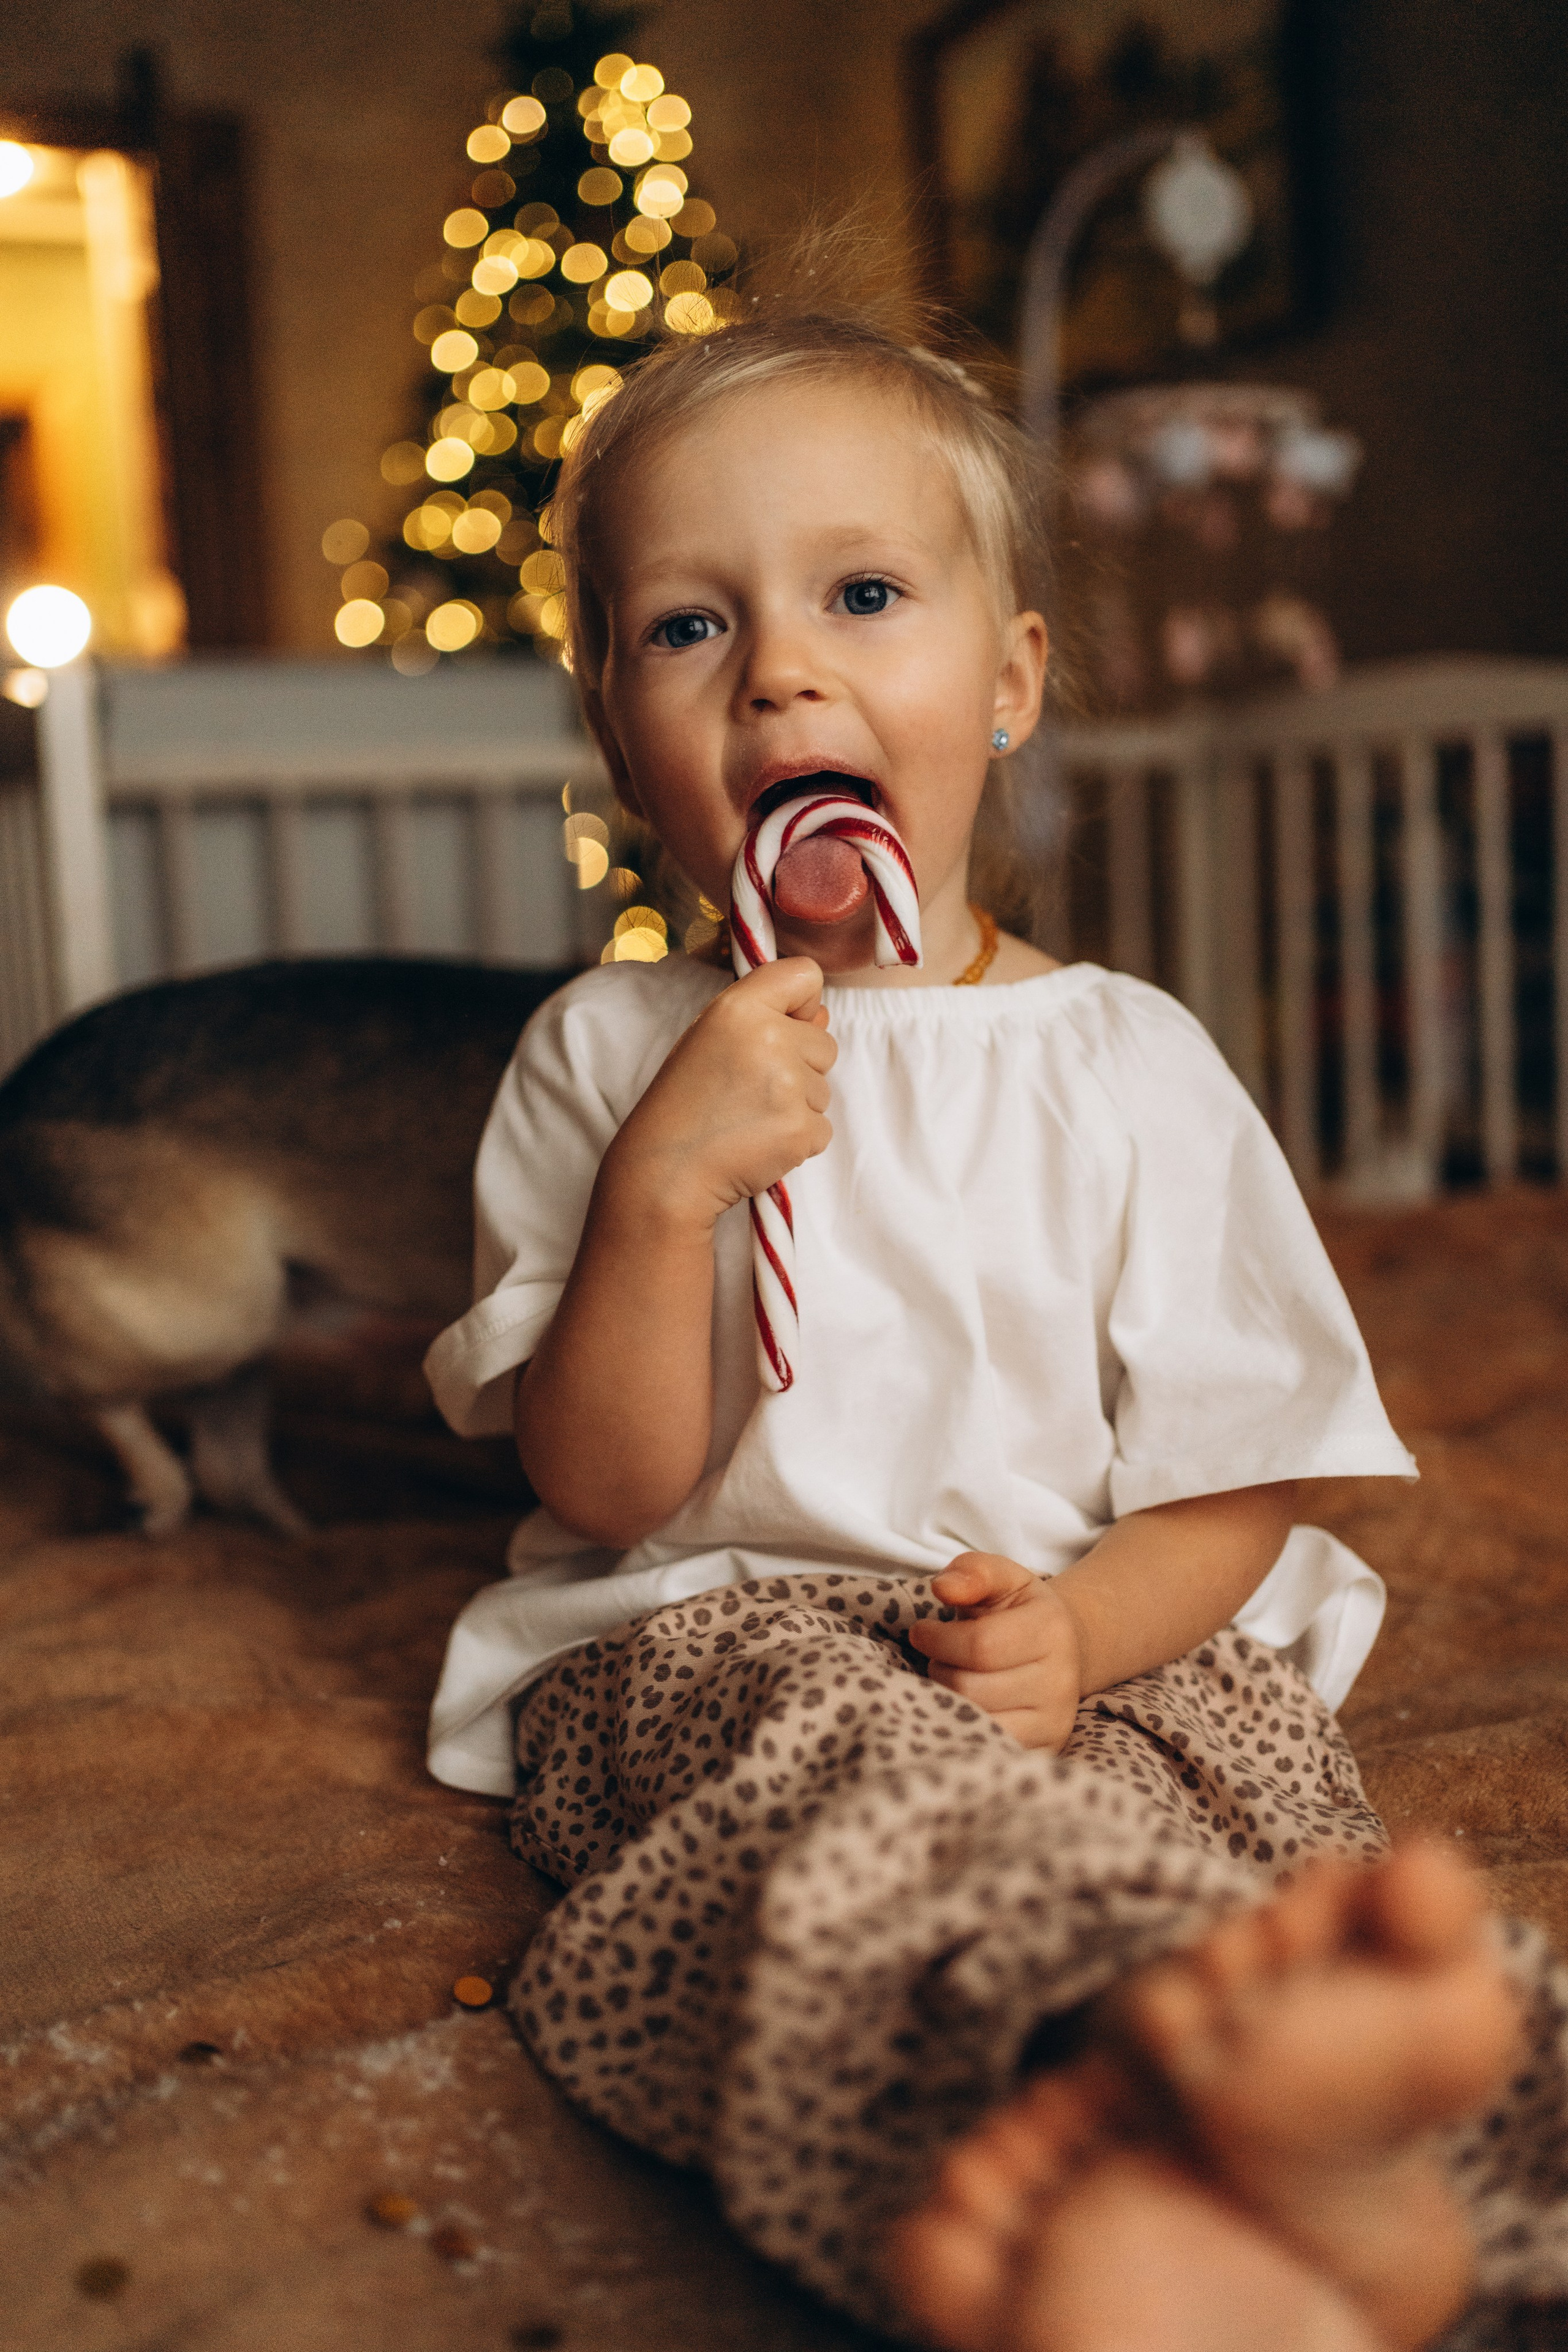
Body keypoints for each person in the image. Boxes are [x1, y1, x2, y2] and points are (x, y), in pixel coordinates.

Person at [422, 300, 1566, 2352]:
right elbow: (602, 1488)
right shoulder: (604, 1058)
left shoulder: (1126, 1060)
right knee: (843, 1808)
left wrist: (1086, 1640)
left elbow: (1238, 1481)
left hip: (1097, 1635)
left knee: (1199, 1808)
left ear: (1013, 681)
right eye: (688, 627)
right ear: (615, 731)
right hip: (720, 1640)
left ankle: (1309, 2160)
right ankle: (1106, 2161)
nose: (781, 669)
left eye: (863, 595)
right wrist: (664, 1192)